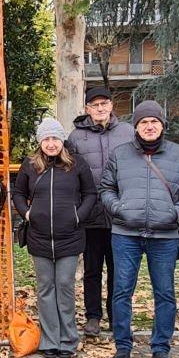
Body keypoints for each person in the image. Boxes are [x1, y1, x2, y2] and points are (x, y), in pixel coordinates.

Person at [98, 100, 179, 358]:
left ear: (162, 125)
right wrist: (120, 210)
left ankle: (161, 347)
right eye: (144, 122)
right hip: (125, 233)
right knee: (121, 291)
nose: (149, 126)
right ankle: (123, 345)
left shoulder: (178, 154)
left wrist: (176, 212)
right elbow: (106, 189)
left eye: (154, 122)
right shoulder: (120, 154)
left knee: (164, 292)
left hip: (164, 236)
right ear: (136, 127)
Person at [13, 118, 98, 358]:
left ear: (62, 141)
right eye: (46, 139)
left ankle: (68, 339)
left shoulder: (77, 164)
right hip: (39, 238)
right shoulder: (30, 165)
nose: (51, 144)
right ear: (40, 142)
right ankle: (50, 340)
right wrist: (27, 213)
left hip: (69, 237)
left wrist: (78, 216)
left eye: (55, 139)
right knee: (45, 288)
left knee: (64, 286)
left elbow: (90, 194)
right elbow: (18, 193)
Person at [68, 86, 133, 337]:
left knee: (119, 269)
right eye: (95, 105)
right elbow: (70, 173)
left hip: (120, 213)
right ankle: (93, 316)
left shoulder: (127, 133)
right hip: (91, 214)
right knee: (92, 269)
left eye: (104, 103)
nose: (100, 108)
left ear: (111, 106)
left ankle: (117, 316)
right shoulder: (76, 137)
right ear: (87, 109)